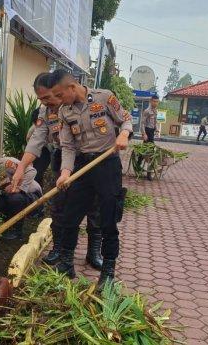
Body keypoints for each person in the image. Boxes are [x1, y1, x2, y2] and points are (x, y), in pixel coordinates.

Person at [11, 73, 104, 270]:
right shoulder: (46, 112)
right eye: (41, 99)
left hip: (90, 160)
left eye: (48, 97)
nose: (45, 103)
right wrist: (21, 168)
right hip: (62, 159)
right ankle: (59, 249)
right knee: (60, 206)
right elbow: (36, 140)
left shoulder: (81, 103)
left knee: (95, 207)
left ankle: (94, 252)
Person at [50, 69, 132, 289]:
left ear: (71, 86)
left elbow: (125, 120)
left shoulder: (104, 97)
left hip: (107, 164)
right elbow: (67, 146)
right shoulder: (64, 112)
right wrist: (66, 172)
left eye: (59, 95)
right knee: (69, 215)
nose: (58, 101)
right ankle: (66, 263)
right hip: (83, 166)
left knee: (108, 218)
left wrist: (124, 134)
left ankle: (108, 271)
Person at [27, 107, 52, 188]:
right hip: (41, 149)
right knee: (37, 172)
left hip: (52, 149)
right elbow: (28, 139)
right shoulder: (33, 129)